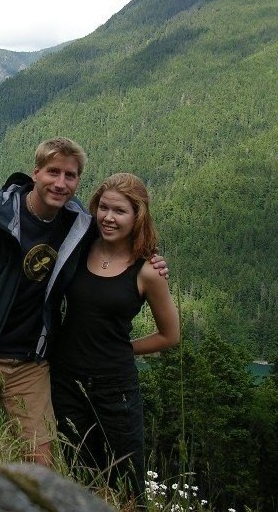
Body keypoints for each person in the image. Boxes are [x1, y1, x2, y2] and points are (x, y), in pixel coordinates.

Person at [0, 139, 167, 465]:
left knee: (42, 464)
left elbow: (118, 239)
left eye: (70, 175)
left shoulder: (77, 226)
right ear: (36, 173)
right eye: (53, 172)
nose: (60, 183)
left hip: (32, 362)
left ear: (77, 182)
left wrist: (152, 259)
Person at [49, 172, 180, 501]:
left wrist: (124, 350)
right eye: (103, 208)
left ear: (138, 216)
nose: (108, 217)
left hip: (115, 388)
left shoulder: (148, 270)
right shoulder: (78, 248)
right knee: (79, 476)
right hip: (65, 381)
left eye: (119, 211)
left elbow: (170, 335)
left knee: (126, 486)